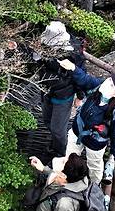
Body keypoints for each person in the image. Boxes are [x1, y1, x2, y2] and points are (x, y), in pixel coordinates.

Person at [8, 22, 86, 158]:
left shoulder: (73, 54)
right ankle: (56, 142)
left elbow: (79, 75)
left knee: (58, 129)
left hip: (64, 94)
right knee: (47, 120)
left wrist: (80, 96)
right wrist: (18, 47)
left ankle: (60, 152)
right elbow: (32, 54)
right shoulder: (43, 47)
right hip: (46, 89)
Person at [58, 59, 115, 184]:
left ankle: (94, 186)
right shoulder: (99, 86)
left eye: (112, 85)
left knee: (94, 165)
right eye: (110, 80)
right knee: (69, 157)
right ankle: (67, 178)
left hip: (95, 142)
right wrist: (73, 68)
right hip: (77, 130)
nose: (107, 82)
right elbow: (86, 79)